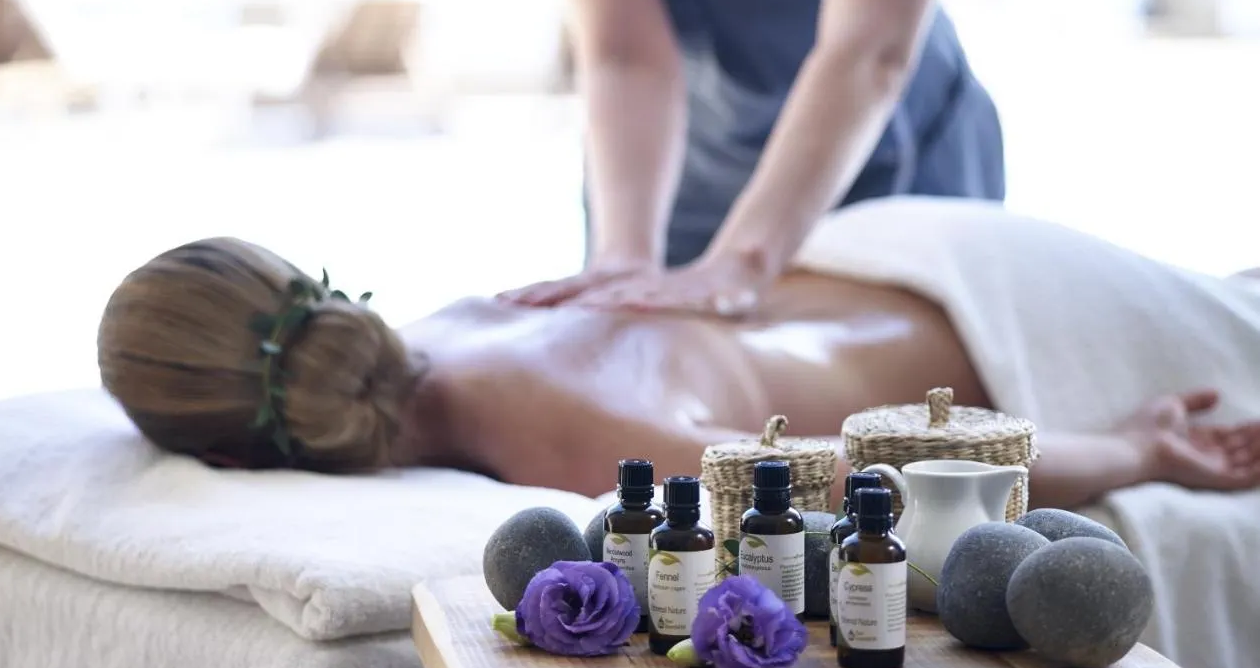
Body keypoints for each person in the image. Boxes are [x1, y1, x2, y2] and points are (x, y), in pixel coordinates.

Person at [97, 199, 1260, 512]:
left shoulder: (564, 440)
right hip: (899, 247)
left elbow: (892, 470)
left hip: (1002, 322)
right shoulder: (453, 317)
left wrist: (1138, 449)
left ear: (235, 460)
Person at [503, 0, 1004, 317]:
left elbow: (869, 50)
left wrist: (745, 259)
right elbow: (625, 56)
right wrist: (623, 255)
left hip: (894, 160)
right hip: (692, 175)